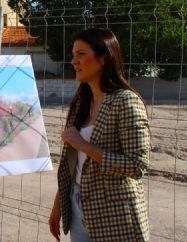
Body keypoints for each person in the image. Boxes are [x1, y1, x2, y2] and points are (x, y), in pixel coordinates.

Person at [49, 27, 150, 241]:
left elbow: (137, 166)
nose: (73, 61)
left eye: (81, 54)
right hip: (77, 206)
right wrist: (58, 204)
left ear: (103, 58)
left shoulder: (126, 102)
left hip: (115, 216)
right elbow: (74, 164)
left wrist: (83, 145)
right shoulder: (81, 103)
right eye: (73, 55)